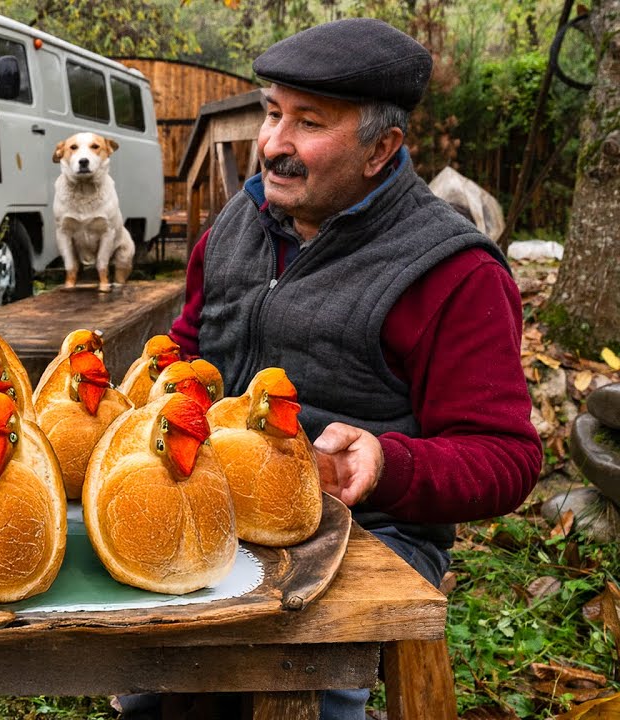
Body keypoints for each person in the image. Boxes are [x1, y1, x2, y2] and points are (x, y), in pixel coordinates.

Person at [168, 18, 542, 719]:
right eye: (273, 113)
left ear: (382, 149)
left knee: (296, 692)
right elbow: (192, 345)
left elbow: (506, 457)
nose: (274, 143)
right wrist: (166, 379)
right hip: (214, 504)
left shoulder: (453, 273)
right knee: (162, 685)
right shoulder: (236, 225)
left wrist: (388, 462)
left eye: (308, 123)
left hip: (363, 533)